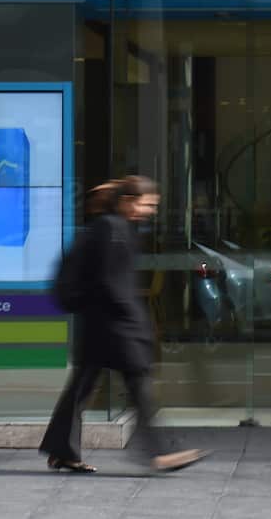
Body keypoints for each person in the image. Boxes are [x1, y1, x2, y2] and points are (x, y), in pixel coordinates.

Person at [40, 175, 203, 473]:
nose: (150, 210)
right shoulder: (113, 229)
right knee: (139, 389)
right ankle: (159, 453)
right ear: (128, 202)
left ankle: (61, 450)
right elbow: (110, 282)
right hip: (114, 327)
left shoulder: (111, 227)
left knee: (81, 389)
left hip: (101, 325)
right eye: (147, 204)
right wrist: (135, 319)